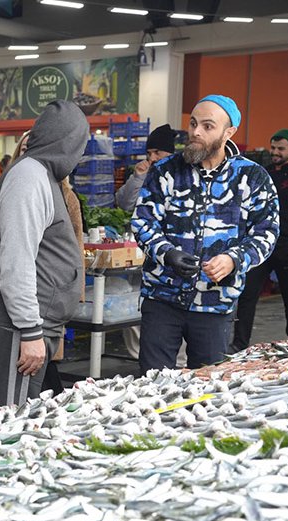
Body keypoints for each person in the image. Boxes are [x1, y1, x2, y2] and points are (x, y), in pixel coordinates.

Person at [132, 95, 279, 372]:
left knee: (208, 384)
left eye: (208, 126)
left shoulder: (252, 177)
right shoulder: (165, 171)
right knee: (152, 381)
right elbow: (143, 222)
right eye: (193, 123)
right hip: (162, 298)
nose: (196, 132)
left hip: (215, 303)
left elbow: (266, 232)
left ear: (229, 132)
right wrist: (167, 254)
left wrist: (234, 259)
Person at [0, 100, 88, 410]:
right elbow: (16, 262)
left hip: (25, 325)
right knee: (11, 419)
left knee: (24, 416)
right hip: (13, 327)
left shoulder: (42, 175)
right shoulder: (28, 178)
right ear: (67, 142)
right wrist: (30, 330)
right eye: (80, 145)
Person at [114, 124, 177, 361]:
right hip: (143, 249)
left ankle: (177, 362)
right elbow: (124, 203)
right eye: (149, 153)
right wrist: (137, 177)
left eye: (157, 152)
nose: (152, 158)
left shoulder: (181, 175)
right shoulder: (145, 174)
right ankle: (138, 357)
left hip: (172, 255)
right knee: (136, 302)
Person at [232, 129, 288, 352]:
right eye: (273, 147)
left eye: (281, 149)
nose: (275, 152)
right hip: (260, 244)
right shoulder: (263, 173)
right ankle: (239, 344)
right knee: (247, 296)